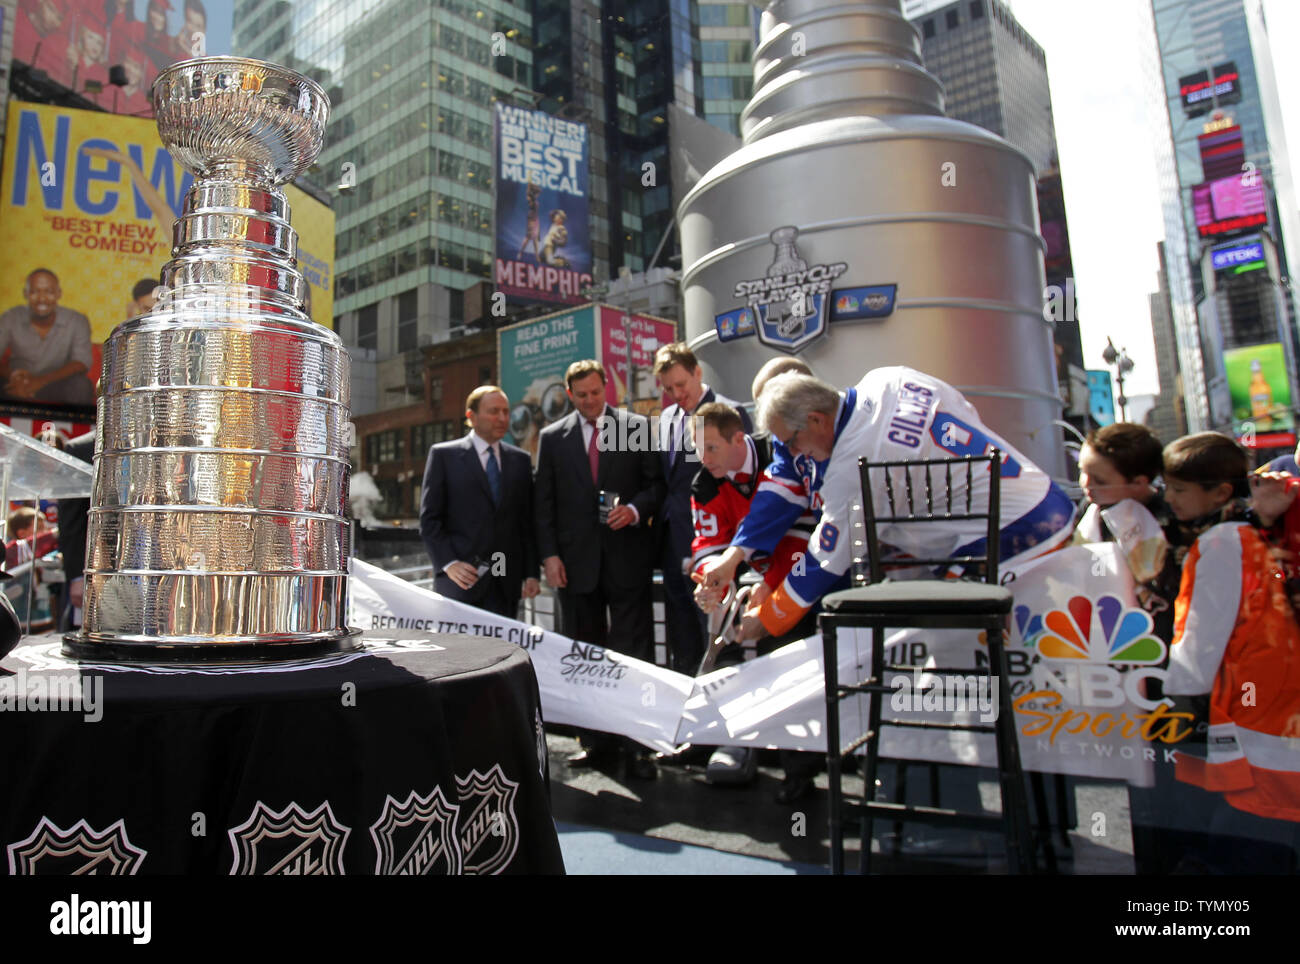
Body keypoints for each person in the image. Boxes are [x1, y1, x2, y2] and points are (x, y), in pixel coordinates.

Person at [733, 367, 1076, 641]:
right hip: (1044, 497)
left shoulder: (851, 469)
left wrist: (766, 619)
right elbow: (965, 409)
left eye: (792, 442)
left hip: (1014, 539)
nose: (793, 453)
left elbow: (823, 563)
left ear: (817, 419)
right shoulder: (889, 376)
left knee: (974, 658)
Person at [1161, 432, 1300, 872]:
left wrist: (1177, 697)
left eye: (1180, 489)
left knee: (1245, 845)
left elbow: (1201, 637)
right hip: (1282, 715)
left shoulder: (1222, 542)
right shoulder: (1266, 532)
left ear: (1221, 492)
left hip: (1255, 723)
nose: (1170, 498)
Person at [534, 359, 665, 779]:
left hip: (627, 558)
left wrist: (634, 508)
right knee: (584, 654)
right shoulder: (553, 438)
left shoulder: (634, 427)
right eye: (582, 395)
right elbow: (544, 505)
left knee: (634, 652)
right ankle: (594, 741)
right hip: (575, 566)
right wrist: (550, 557)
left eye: (596, 392)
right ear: (570, 395)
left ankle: (638, 741)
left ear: (607, 387)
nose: (590, 401)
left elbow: (656, 486)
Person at [688, 401, 822, 800]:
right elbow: (710, 543)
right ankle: (734, 744)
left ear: (737, 438)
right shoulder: (704, 482)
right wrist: (710, 584)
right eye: (697, 448)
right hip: (751, 577)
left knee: (790, 664)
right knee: (725, 645)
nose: (703, 457)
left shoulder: (778, 454)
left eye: (711, 447)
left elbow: (803, 525)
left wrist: (771, 583)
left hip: (804, 575)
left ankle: (800, 770)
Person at [653, 342, 751, 673]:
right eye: (668, 389)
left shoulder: (730, 413)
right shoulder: (666, 418)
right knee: (682, 630)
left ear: (698, 372)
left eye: (681, 384)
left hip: (717, 543)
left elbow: (742, 480)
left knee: (718, 628)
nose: (676, 394)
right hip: (674, 541)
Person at [419, 386, 540, 618]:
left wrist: (531, 573)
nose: (503, 418)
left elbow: (526, 523)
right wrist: (449, 563)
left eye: (506, 411)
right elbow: (429, 520)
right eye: (494, 411)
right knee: (461, 654)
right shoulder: (444, 456)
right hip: (460, 582)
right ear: (471, 416)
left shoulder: (521, 461)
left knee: (505, 652)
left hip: (506, 584)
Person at [0, 269, 94, 406]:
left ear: (58, 294)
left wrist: (39, 382)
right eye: (34, 291)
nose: (42, 299)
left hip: (54, 384)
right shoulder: (10, 317)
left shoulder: (77, 320)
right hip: (15, 384)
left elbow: (81, 363)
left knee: (81, 385)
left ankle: (66, 428)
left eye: (49, 292)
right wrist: (14, 377)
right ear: (26, 294)